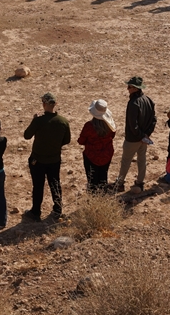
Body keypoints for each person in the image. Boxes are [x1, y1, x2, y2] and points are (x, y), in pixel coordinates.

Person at [22, 92, 70, 220]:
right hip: (54, 159)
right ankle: (58, 209)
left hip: (38, 160)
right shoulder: (63, 121)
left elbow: (27, 135)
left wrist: (33, 121)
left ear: (44, 104)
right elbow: (67, 140)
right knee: (55, 183)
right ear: (55, 104)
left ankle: (36, 212)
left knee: (38, 185)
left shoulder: (38, 121)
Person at [116, 76, 156, 192]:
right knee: (142, 160)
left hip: (133, 139)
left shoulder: (133, 103)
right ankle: (140, 182)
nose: (128, 89)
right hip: (144, 138)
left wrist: (140, 136)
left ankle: (120, 183)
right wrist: (146, 135)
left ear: (135, 88)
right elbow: (154, 119)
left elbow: (133, 125)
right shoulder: (149, 100)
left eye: (129, 87)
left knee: (126, 161)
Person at [77, 99, 115, 193]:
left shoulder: (89, 126)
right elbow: (113, 135)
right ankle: (103, 195)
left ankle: (93, 196)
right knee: (103, 177)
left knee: (92, 180)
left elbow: (81, 141)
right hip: (106, 155)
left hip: (91, 156)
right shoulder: (109, 125)